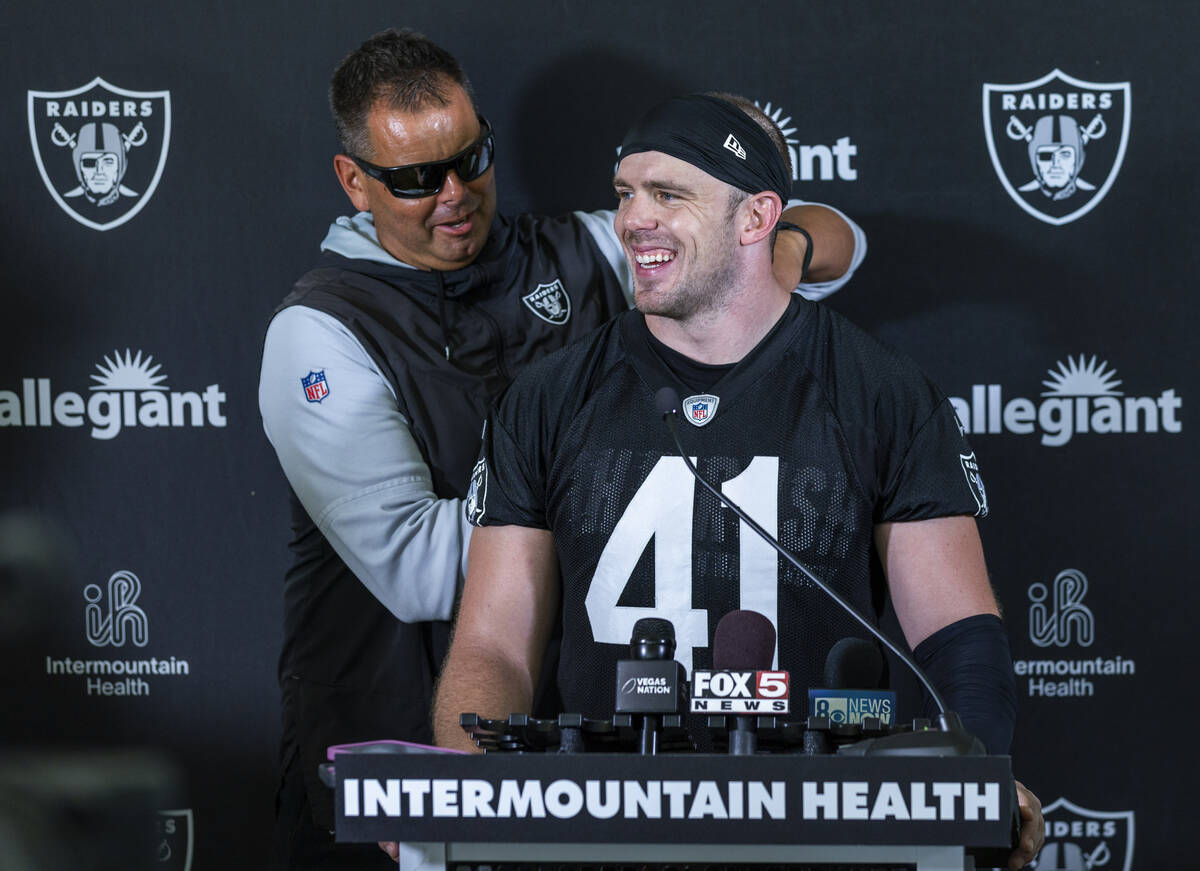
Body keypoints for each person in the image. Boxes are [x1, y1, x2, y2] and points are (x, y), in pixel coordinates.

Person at [258, 30, 865, 869]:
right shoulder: (319, 332)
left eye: (472, 158)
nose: (454, 194)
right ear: (353, 181)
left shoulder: (584, 249)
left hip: (574, 758)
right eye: (413, 179)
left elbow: (836, 238)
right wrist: (624, 496)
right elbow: (417, 569)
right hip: (397, 757)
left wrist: (763, 259)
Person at [431, 94, 1044, 869]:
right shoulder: (549, 397)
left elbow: (958, 633)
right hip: (601, 833)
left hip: (822, 834)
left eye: (669, 195)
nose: (632, 220)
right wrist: (459, 793)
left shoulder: (879, 391)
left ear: (757, 219)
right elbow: (494, 643)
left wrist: (976, 779)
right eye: (625, 194)